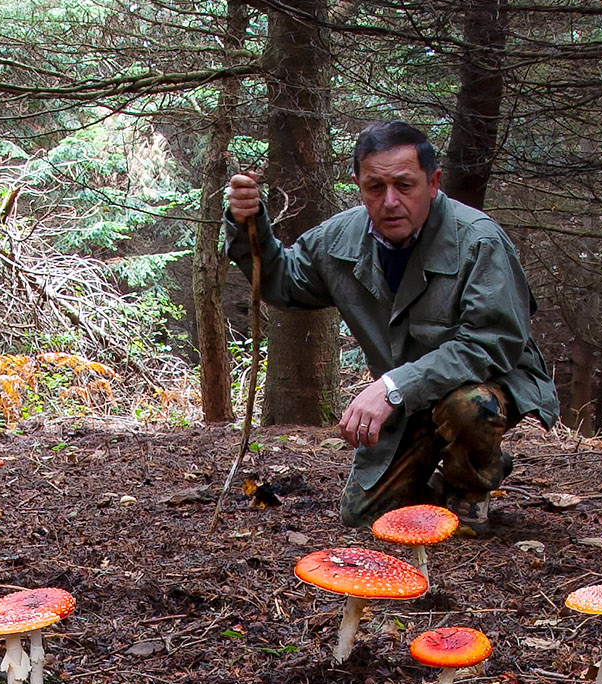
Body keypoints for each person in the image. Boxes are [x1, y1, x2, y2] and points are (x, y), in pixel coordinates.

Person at [224, 122, 558, 529]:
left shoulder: (478, 240)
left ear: (433, 183)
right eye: (375, 187)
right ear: (358, 184)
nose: (390, 201)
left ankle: (470, 483)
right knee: (364, 515)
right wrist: (250, 224)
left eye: (404, 185)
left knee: (468, 407)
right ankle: (439, 489)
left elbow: (492, 344)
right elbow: (281, 281)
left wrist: (392, 386)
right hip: (411, 398)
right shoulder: (340, 238)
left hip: (488, 383)